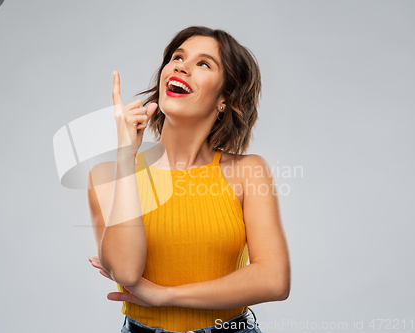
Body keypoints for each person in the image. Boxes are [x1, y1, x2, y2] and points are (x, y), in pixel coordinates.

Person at [87, 26, 290, 333]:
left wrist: (167, 296)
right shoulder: (106, 177)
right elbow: (127, 272)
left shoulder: (249, 172)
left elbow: (274, 280)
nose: (181, 65)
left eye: (203, 63)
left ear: (224, 97)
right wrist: (125, 157)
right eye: (177, 57)